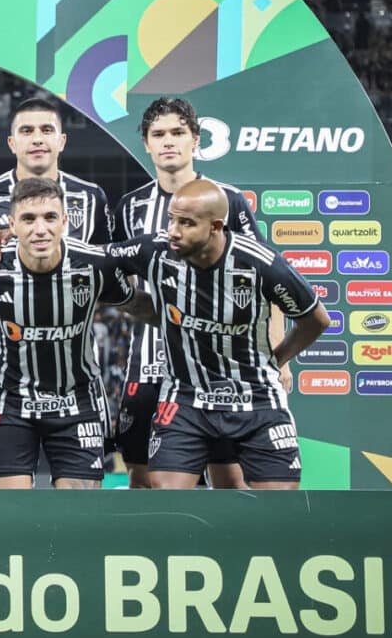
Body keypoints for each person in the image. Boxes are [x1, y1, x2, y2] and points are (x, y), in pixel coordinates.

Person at [104, 180, 330, 489]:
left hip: (257, 400)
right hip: (186, 399)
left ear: (216, 226)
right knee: (165, 496)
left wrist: (277, 360)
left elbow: (316, 320)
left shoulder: (261, 264)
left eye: (186, 223)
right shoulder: (155, 250)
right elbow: (96, 260)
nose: (173, 230)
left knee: (279, 510)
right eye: (172, 219)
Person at [112, 97, 284, 489]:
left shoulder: (228, 201)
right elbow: (109, 275)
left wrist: (276, 352)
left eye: (177, 133)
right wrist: (148, 311)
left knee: (229, 477)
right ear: (146, 143)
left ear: (195, 139)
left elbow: (266, 278)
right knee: (142, 477)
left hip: (222, 368)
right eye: (158, 134)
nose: (168, 142)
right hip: (150, 364)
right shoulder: (129, 207)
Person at [0, 178, 135, 488]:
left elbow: (138, 306)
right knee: (12, 516)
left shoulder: (96, 265)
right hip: (10, 403)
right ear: (11, 224)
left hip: (78, 401)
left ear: (64, 221)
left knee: (79, 516)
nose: (40, 228)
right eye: (28, 219)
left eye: (49, 217)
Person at [0, 95, 114, 254]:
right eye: (27, 131)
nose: (37, 139)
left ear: (61, 142)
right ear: (12, 144)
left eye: (47, 130)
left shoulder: (92, 197)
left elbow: (106, 263)